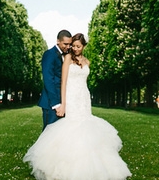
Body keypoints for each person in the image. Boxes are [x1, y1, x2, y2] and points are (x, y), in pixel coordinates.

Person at [24, 33, 131, 180]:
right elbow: (63, 82)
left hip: (84, 98)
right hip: (71, 97)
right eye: (72, 45)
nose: (74, 48)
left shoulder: (87, 61)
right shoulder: (67, 58)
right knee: (70, 129)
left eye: (77, 46)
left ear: (84, 46)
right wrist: (63, 103)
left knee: (87, 129)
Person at [38, 29, 72, 129]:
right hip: (51, 103)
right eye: (65, 44)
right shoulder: (49, 54)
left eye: (69, 44)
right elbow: (48, 80)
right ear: (58, 41)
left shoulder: (66, 55)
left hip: (61, 101)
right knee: (48, 134)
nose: (68, 47)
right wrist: (56, 105)